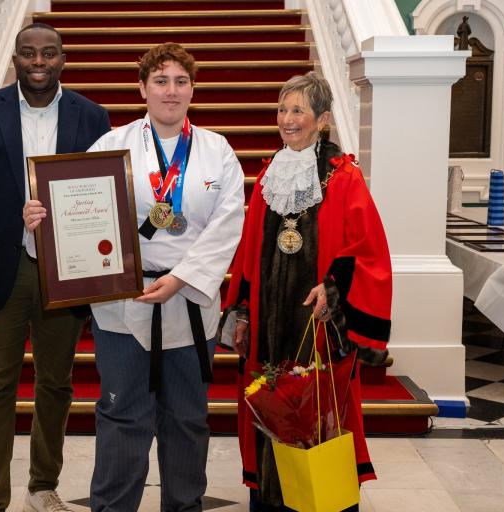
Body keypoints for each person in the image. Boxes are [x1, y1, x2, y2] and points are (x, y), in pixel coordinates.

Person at [31, 42, 244, 511]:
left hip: (190, 300)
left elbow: (228, 225)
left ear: (193, 89)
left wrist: (183, 278)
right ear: (143, 88)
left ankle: (184, 505)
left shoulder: (216, 151)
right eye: (161, 81)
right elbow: (78, 213)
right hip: (123, 301)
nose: (172, 91)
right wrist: (42, 218)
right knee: (122, 415)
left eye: (181, 81)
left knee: (187, 418)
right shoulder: (112, 146)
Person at [0, 23, 111, 512]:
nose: (38, 61)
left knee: (56, 384)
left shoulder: (93, 116)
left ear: (63, 58)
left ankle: (43, 486)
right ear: (14, 59)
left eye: (49, 53)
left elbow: (104, 196)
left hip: (67, 269)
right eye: (28, 53)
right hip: (2, 272)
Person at [224, 72, 392, 511]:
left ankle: (322, 501)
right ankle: (270, 499)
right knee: (266, 404)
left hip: (318, 330)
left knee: (322, 415)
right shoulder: (268, 177)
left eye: (298, 109)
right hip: (267, 325)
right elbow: (248, 253)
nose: (287, 118)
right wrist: (241, 310)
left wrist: (333, 290)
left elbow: (368, 250)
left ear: (322, 119)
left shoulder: (343, 178)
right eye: (282, 109)